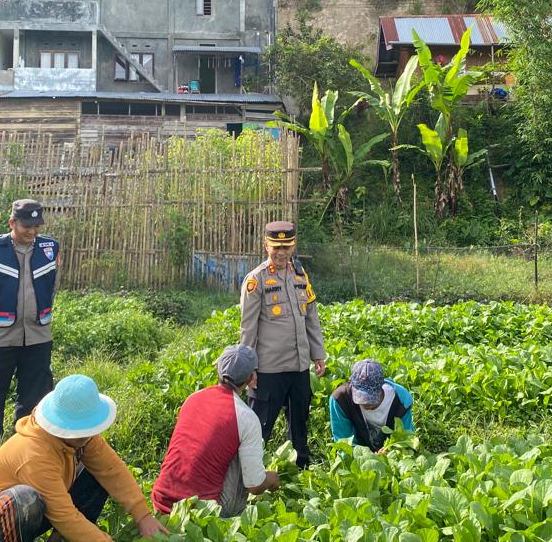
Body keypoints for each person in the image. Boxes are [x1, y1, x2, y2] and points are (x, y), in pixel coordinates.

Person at [0, 374, 168, 542]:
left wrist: (143, 516)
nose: (88, 436)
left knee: (97, 472)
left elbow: (112, 470)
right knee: (23, 497)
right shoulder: (34, 454)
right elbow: (64, 515)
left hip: (33, 513)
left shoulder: (83, 438)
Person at [0, 198, 60, 448]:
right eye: (25, 227)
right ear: (12, 223)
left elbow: (53, 286)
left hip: (38, 337)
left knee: (34, 399)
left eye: (36, 227)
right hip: (0, 338)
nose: (31, 232)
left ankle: (25, 450)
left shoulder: (49, 249)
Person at [151, 345, 280, 517]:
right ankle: (230, 515)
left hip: (161, 504)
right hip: (201, 514)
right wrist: (271, 479)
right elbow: (254, 486)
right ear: (251, 378)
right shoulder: (246, 417)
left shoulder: (193, 398)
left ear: (217, 369)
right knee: (243, 453)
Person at [239, 221, 326, 469]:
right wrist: (249, 368)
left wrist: (317, 353)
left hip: (298, 368)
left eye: (286, 247)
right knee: (258, 428)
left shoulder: (300, 275)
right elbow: (248, 327)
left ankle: (301, 472)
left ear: (293, 246)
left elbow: (311, 316)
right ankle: (248, 476)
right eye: (275, 246)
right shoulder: (256, 281)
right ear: (266, 246)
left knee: (299, 426)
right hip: (269, 370)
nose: (280, 252)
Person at [329, 359, 414, 452]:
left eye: (371, 398)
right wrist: (366, 456)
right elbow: (344, 443)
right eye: (361, 397)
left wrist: (391, 451)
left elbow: (407, 438)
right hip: (359, 453)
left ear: (381, 386)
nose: (366, 403)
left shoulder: (400, 400)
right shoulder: (340, 400)